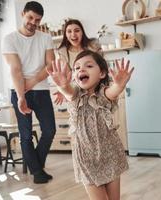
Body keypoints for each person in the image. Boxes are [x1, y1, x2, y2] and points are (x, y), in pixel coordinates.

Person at [47, 50, 133, 200]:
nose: (81, 69)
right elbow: (68, 91)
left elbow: (113, 92)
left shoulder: (103, 94)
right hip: (86, 159)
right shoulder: (75, 95)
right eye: (77, 68)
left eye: (88, 66)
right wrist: (61, 85)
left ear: (102, 73)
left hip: (110, 154)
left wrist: (119, 85)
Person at [2, 1, 56, 184]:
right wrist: (21, 96)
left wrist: (31, 82)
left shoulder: (45, 38)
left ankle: (36, 168)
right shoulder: (9, 39)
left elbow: (50, 65)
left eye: (37, 20)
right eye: (30, 17)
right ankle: (38, 172)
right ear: (23, 14)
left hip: (41, 90)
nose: (33, 22)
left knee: (49, 130)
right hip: (18, 90)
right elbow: (15, 69)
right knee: (25, 134)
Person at [53, 19, 101, 105]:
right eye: (69, 31)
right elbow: (67, 77)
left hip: (96, 89)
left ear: (82, 32)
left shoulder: (93, 46)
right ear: (66, 35)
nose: (73, 34)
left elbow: (101, 67)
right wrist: (64, 90)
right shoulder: (62, 52)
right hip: (77, 92)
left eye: (77, 30)